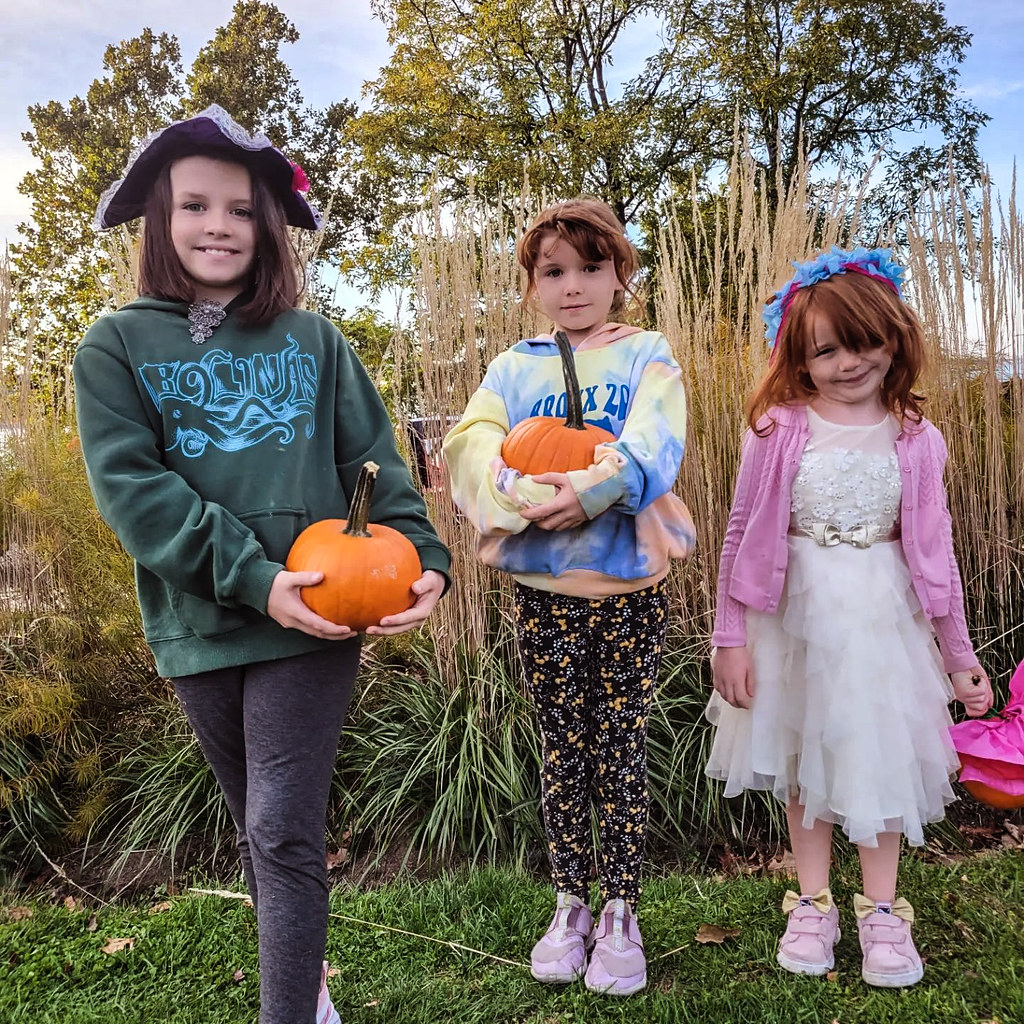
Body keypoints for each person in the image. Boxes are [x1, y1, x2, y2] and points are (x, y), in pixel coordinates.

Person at [73, 106, 450, 1024]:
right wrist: (250, 577)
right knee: (259, 826)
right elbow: (136, 491)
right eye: (195, 206)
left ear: (267, 227)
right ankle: (305, 977)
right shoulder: (116, 345)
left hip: (319, 609)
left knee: (282, 826)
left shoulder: (314, 342)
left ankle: (290, 1011)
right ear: (160, 219)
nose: (218, 227)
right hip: (200, 620)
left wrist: (425, 557)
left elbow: (375, 468)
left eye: (241, 210)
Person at [704, 246, 994, 989]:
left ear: (894, 336)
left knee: (879, 757)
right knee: (807, 761)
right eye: (825, 349)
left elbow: (937, 549)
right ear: (798, 357)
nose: (847, 362)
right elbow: (740, 531)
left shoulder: (917, 438)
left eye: (863, 341)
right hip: (792, 616)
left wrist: (957, 654)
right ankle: (813, 901)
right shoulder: (777, 429)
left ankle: (883, 910)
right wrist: (729, 636)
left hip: (880, 616)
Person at [443, 198, 696, 996]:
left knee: (618, 739)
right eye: (554, 271)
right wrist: (512, 490)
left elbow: (658, 439)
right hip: (543, 591)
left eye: (592, 267)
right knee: (561, 741)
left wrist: (595, 489)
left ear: (622, 276)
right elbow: (471, 441)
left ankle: (623, 906)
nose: (574, 285)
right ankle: (570, 900)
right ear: (531, 286)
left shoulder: (647, 355)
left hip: (624, 586)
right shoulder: (513, 369)